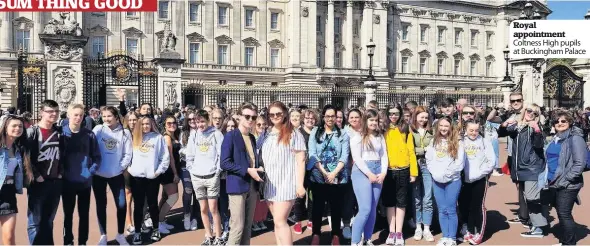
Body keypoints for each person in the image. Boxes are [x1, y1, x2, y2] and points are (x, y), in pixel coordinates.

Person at [257, 101, 307, 245]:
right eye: (271, 114)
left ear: (285, 113)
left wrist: (299, 184)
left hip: (286, 182)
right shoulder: (266, 133)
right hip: (269, 183)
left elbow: (301, 160)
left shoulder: (294, 133)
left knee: (280, 221)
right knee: (277, 222)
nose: (275, 116)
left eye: (278, 113)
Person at [498, 104, 547, 238]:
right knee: (528, 197)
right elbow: (502, 133)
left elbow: (539, 145)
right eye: (529, 110)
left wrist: (536, 130)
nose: (531, 114)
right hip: (519, 167)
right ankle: (535, 224)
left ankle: (539, 227)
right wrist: (505, 123)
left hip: (532, 167)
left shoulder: (537, 128)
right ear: (524, 111)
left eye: (535, 113)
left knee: (532, 197)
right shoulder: (518, 126)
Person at [220, 102, 263, 246]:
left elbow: (252, 160)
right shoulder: (231, 136)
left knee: (247, 227)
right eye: (247, 116)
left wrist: (258, 167)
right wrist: (247, 170)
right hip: (237, 185)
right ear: (239, 116)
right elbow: (224, 163)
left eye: (253, 117)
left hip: (252, 185)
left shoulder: (252, 138)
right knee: (237, 228)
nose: (250, 120)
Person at [542, 111, 586, 245]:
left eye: (563, 121)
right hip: (553, 182)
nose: (560, 123)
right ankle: (566, 239)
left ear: (570, 122)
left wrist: (567, 179)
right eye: (557, 121)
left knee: (564, 213)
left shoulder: (575, 138)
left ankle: (569, 242)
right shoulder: (555, 138)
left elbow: (580, 163)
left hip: (568, 183)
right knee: (562, 212)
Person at [308, 104, 350, 246]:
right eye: (328, 116)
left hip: (337, 175)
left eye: (333, 116)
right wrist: (325, 173)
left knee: (336, 206)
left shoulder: (343, 133)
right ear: (323, 117)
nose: (331, 119)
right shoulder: (315, 132)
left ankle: (336, 235)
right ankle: (316, 233)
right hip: (319, 175)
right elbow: (312, 154)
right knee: (318, 206)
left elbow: (344, 156)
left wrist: (333, 173)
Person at [61, 104, 102, 245]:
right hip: (67, 182)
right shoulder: (61, 133)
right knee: (68, 215)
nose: (78, 117)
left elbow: (97, 156)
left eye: (81, 115)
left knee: (84, 215)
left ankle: (82, 242)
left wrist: (90, 171)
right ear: (69, 115)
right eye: (75, 114)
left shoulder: (89, 135)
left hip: (85, 181)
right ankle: (68, 241)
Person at [26, 100, 64, 245]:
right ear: (41, 112)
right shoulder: (32, 132)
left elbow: (63, 154)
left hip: (55, 181)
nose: (53, 114)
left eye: (56, 111)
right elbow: (26, 157)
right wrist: (36, 175)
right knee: (35, 221)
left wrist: (60, 172)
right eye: (50, 111)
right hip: (38, 183)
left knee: (49, 219)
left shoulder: (58, 132)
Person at [92, 107, 133, 245]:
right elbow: (90, 148)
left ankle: (120, 234)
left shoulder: (124, 132)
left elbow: (128, 154)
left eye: (109, 116)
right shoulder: (98, 130)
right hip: (99, 174)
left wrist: (120, 167)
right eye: (104, 116)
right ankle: (103, 235)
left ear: (116, 117)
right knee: (101, 205)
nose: (106, 119)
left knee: (121, 204)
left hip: (116, 174)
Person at [128, 116, 170, 245]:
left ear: (151, 124)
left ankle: (156, 229)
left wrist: (158, 171)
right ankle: (137, 232)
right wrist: (130, 169)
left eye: (148, 124)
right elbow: (128, 155)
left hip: (152, 177)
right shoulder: (133, 137)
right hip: (137, 177)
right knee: (139, 205)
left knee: (152, 204)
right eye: (143, 124)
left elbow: (165, 156)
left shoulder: (158, 138)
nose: (145, 126)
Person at [185, 110, 225, 245]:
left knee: (213, 208)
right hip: (197, 176)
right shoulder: (194, 135)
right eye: (197, 122)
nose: (200, 124)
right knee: (203, 209)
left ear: (208, 120)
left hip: (211, 175)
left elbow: (221, 155)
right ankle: (208, 235)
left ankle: (218, 236)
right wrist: (191, 170)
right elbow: (189, 156)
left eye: (202, 121)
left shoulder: (216, 134)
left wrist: (217, 170)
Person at [349, 109, 388, 245]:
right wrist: (369, 174)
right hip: (362, 172)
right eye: (371, 120)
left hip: (378, 170)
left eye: (376, 120)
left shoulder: (379, 136)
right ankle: (355, 241)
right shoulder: (358, 136)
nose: (374, 123)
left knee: (372, 209)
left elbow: (384, 155)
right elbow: (357, 158)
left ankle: (367, 238)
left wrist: (383, 172)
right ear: (365, 120)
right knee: (365, 208)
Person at [426, 116, 465, 246]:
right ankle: (445, 236)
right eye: (441, 126)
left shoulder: (458, 142)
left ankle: (452, 238)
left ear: (451, 127)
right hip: (437, 180)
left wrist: (446, 174)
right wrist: (435, 174)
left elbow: (459, 163)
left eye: (446, 126)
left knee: (451, 209)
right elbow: (429, 160)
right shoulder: (433, 142)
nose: (443, 128)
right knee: (442, 209)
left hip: (452, 180)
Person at [383, 105, 417, 246]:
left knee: (401, 203)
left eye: (396, 113)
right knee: (390, 203)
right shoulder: (383, 129)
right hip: (388, 170)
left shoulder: (406, 129)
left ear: (400, 114)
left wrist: (413, 172)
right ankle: (391, 231)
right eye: (391, 113)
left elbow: (411, 150)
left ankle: (399, 232)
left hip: (403, 169)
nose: (393, 116)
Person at [458, 120, 496, 245]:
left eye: (476, 130)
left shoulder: (485, 142)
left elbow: (491, 160)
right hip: (464, 179)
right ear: (466, 129)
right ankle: (468, 230)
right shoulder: (461, 141)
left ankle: (480, 233)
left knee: (478, 206)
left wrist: (480, 173)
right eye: (471, 130)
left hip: (479, 179)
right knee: (464, 205)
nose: (474, 133)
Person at [0, 115, 29, 245]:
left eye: (20, 126)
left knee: (9, 237)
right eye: (14, 126)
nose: (17, 128)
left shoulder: (19, 148)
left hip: (8, 193)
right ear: (5, 128)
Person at [410, 106, 435, 242]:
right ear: (416, 116)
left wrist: (422, 150)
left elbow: (434, 147)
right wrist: (423, 149)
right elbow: (410, 149)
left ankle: (427, 228)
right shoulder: (410, 130)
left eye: (426, 117)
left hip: (427, 165)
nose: (424, 120)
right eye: (421, 117)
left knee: (427, 197)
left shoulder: (431, 130)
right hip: (414, 165)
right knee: (416, 198)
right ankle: (418, 227)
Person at [157, 115, 181, 234]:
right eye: (169, 123)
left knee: (166, 197)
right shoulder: (167, 137)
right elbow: (170, 156)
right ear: (165, 125)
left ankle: (160, 220)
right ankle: (159, 221)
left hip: (172, 169)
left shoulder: (174, 135)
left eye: (174, 123)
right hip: (168, 171)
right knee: (173, 197)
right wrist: (175, 173)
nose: (172, 125)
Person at [179, 111, 200, 231]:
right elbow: (181, 150)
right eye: (190, 119)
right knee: (188, 191)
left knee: (197, 193)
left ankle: (195, 217)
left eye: (194, 119)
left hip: (199, 166)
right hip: (186, 165)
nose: (192, 121)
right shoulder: (184, 132)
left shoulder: (201, 131)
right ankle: (186, 215)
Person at [123, 111, 140, 234]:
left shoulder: (141, 133)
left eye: (134, 120)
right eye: (130, 120)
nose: (132, 122)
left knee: (139, 197)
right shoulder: (124, 134)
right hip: (127, 169)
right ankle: (129, 223)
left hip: (139, 168)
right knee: (128, 197)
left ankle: (140, 221)